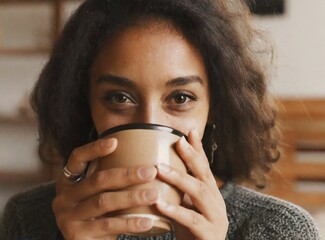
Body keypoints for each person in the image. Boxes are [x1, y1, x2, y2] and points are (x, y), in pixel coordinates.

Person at [0, 0, 321, 239]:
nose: (149, 121)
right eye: (119, 98)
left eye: (180, 98)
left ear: (215, 108)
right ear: (85, 106)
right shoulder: (29, 220)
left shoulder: (281, 230)